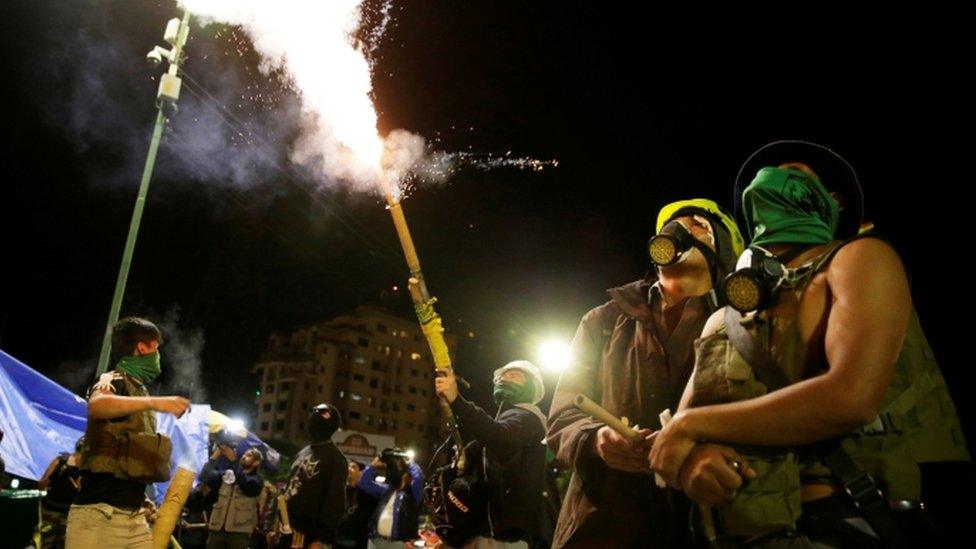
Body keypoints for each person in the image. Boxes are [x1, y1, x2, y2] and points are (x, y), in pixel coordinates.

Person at [649, 140, 972, 547]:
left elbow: (852, 397)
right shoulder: (723, 318)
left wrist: (691, 427)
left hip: (847, 525)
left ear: (832, 203)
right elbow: (675, 443)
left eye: (795, 173)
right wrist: (693, 461)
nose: (772, 178)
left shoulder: (860, 259)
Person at [547, 199, 744, 548]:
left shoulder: (743, 327)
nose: (680, 232)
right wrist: (595, 440)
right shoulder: (603, 321)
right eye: (673, 227)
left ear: (723, 252)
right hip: (600, 528)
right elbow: (563, 416)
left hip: (698, 530)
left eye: (697, 225)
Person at [65, 317, 190, 549]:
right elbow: (97, 405)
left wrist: (141, 498)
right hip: (101, 515)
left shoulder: (138, 390)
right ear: (143, 348)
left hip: (134, 516)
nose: (158, 355)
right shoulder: (112, 379)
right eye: (156, 348)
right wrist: (158, 403)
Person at [435, 360, 548, 549]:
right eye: (502, 376)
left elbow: (500, 437)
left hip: (502, 539)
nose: (505, 379)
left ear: (531, 388)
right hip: (483, 533)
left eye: (515, 376)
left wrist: (457, 400)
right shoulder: (506, 421)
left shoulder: (528, 418)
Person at [276, 403, 348, 549]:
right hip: (285, 529)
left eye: (320, 415)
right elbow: (288, 488)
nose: (313, 422)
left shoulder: (336, 459)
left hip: (307, 536)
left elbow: (335, 503)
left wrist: (321, 540)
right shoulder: (303, 452)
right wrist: (275, 527)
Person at [203, 431, 264, 549]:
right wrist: (214, 457)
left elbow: (246, 485)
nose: (244, 456)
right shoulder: (228, 474)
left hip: (239, 533)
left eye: (249, 455)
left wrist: (234, 461)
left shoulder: (256, 480)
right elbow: (205, 477)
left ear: (256, 462)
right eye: (244, 454)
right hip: (217, 530)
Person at [359, 449, 425, 549]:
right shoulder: (387, 490)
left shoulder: (412, 495)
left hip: (397, 544)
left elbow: (418, 480)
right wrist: (373, 465)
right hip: (375, 541)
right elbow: (364, 483)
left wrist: (410, 462)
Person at [39, 436, 85, 548]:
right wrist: (54, 475)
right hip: (51, 510)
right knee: (46, 543)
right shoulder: (60, 461)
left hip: (71, 515)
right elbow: (41, 485)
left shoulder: (87, 469)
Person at [336, 460, 377, 549]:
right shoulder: (341, 492)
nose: (349, 469)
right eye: (348, 467)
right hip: (337, 542)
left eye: (353, 467)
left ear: (361, 473)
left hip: (357, 543)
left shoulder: (367, 495)